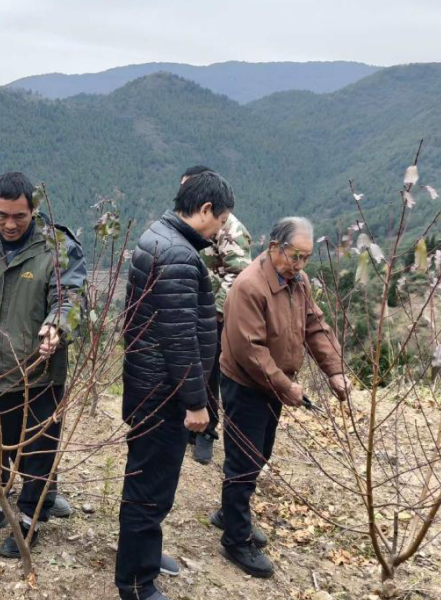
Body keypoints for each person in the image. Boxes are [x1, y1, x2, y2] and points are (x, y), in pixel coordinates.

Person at [0, 171, 86, 558]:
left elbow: (71, 298)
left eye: (20, 217)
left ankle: (29, 519)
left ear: (34, 210)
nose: (10, 224)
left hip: (39, 372)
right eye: (2, 215)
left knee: (38, 451)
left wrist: (56, 327)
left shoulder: (56, 248)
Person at [116, 171, 234, 600]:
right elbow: (180, 339)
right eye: (220, 221)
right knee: (150, 488)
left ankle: (145, 552)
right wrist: (197, 403)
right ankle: (136, 581)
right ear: (205, 211)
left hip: (148, 385)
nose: (220, 230)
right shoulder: (179, 257)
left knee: (148, 482)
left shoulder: (159, 236)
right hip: (162, 394)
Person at [214, 216, 350, 578]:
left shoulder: (297, 282)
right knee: (243, 462)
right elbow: (250, 350)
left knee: (260, 454)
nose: (300, 265)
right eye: (295, 255)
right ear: (274, 247)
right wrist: (286, 386)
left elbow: (314, 325)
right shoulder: (250, 287)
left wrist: (334, 370)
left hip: (273, 386)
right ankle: (235, 538)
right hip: (247, 385)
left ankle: (230, 513)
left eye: (306, 257)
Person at [181, 166, 253, 466]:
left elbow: (238, 276)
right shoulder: (186, 221)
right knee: (191, 369)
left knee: (210, 374)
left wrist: (214, 314)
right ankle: (188, 423)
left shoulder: (230, 229)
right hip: (192, 310)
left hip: (217, 316)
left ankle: (207, 432)